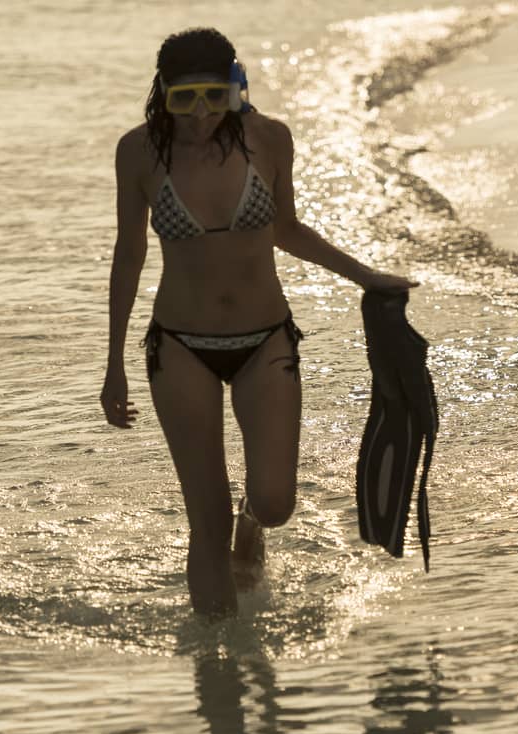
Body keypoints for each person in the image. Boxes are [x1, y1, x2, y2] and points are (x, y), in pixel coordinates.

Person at [101, 28, 415, 617]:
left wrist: (365, 276)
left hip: (265, 340)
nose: (200, 116)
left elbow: (287, 230)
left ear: (234, 89)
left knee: (274, 502)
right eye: (184, 100)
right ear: (162, 92)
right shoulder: (138, 151)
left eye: (214, 98)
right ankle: (215, 655)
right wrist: (114, 363)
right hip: (179, 347)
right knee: (206, 520)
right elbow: (129, 254)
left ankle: (253, 525)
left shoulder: (269, 139)